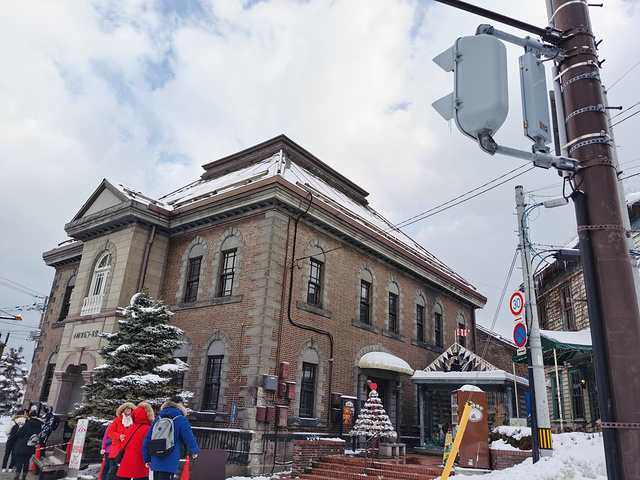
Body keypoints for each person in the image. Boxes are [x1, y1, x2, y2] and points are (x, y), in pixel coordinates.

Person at [142, 396, 200, 480]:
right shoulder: (181, 419)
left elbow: (147, 439)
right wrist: (195, 451)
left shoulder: (158, 418)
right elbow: (189, 438)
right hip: (170, 456)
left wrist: (147, 458)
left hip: (156, 456)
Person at [116, 402, 154, 480]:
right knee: (140, 476)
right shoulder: (147, 429)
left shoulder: (131, 428)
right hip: (140, 460)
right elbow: (147, 445)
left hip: (126, 461)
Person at [106, 402, 136, 480]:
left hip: (128, 450)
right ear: (122, 410)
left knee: (125, 472)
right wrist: (119, 436)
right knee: (113, 471)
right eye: (126, 408)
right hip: (116, 449)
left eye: (129, 408)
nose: (127, 410)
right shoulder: (117, 420)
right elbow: (110, 432)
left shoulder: (134, 421)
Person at [11, 411, 43, 480]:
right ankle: (24, 477)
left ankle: (17, 476)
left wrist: (20, 428)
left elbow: (19, 434)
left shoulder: (27, 424)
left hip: (22, 445)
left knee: (20, 461)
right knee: (27, 461)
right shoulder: (39, 425)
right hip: (31, 445)